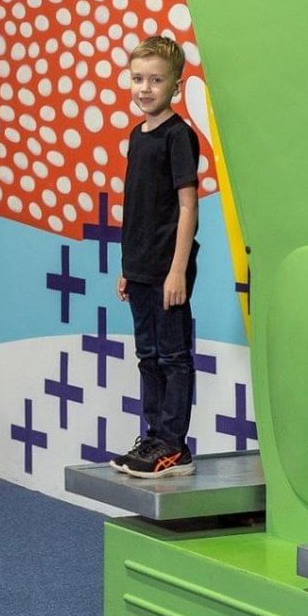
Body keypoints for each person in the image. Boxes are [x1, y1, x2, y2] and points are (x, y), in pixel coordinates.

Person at [112, 35, 201, 479]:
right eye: (138, 79)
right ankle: (153, 437)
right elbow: (137, 206)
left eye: (156, 80)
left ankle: (173, 445)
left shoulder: (178, 136)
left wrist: (177, 270)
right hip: (142, 269)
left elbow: (187, 207)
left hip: (168, 272)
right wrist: (128, 268)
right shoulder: (136, 135)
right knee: (147, 356)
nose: (145, 88)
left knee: (172, 357)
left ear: (175, 87)